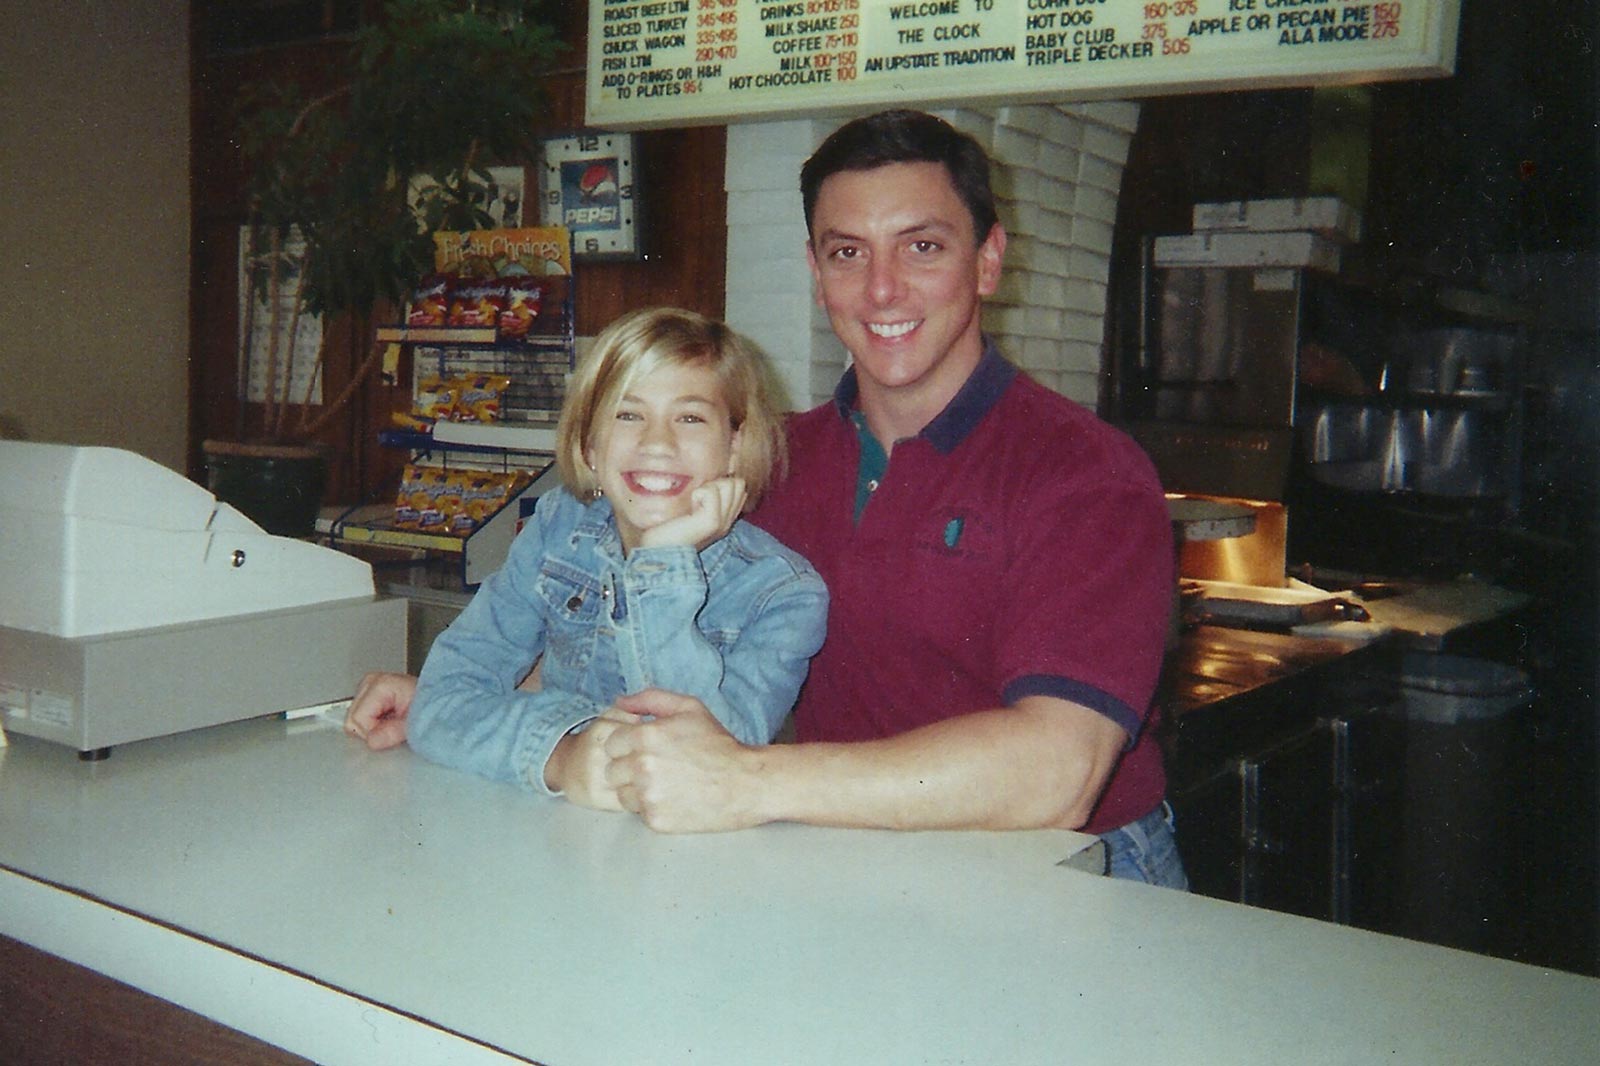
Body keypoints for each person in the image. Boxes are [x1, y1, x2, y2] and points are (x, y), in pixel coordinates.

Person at [350, 110, 1184, 887]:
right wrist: (464, 704)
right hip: (832, 847)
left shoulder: (1085, 472)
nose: (883, 290)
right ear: (817, 273)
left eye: (922, 247)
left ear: (989, 260)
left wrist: (747, 780)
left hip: (1065, 871)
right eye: (848, 252)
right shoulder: (763, 459)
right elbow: (636, 622)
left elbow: (1058, 772)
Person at [346, 307, 827, 808]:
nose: (657, 443)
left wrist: (664, 561)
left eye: (689, 417)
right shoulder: (558, 529)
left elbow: (707, 758)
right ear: (590, 445)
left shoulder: (785, 594)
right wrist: (561, 755)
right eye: (628, 414)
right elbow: (442, 700)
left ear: (733, 447)